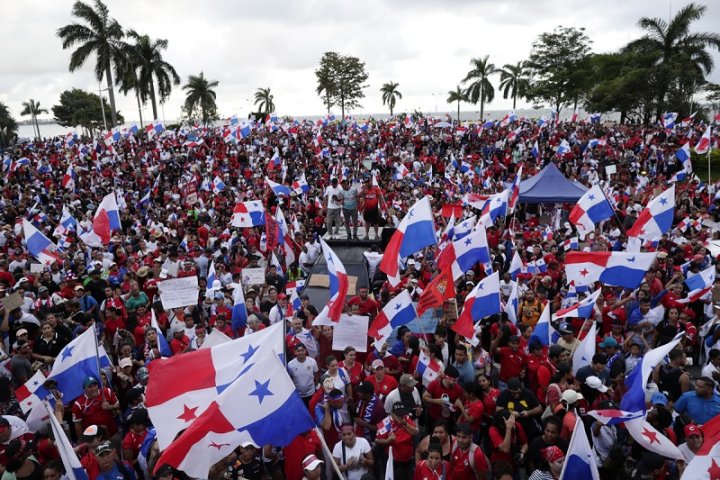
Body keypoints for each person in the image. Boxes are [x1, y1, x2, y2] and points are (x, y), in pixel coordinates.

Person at [375, 403, 418, 479]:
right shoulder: (385, 423)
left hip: (409, 459)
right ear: (392, 413)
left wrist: (405, 424)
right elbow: (377, 441)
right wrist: (388, 441)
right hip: (395, 462)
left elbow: (416, 432)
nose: (400, 416)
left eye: (402, 414)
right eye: (398, 415)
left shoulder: (406, 418)